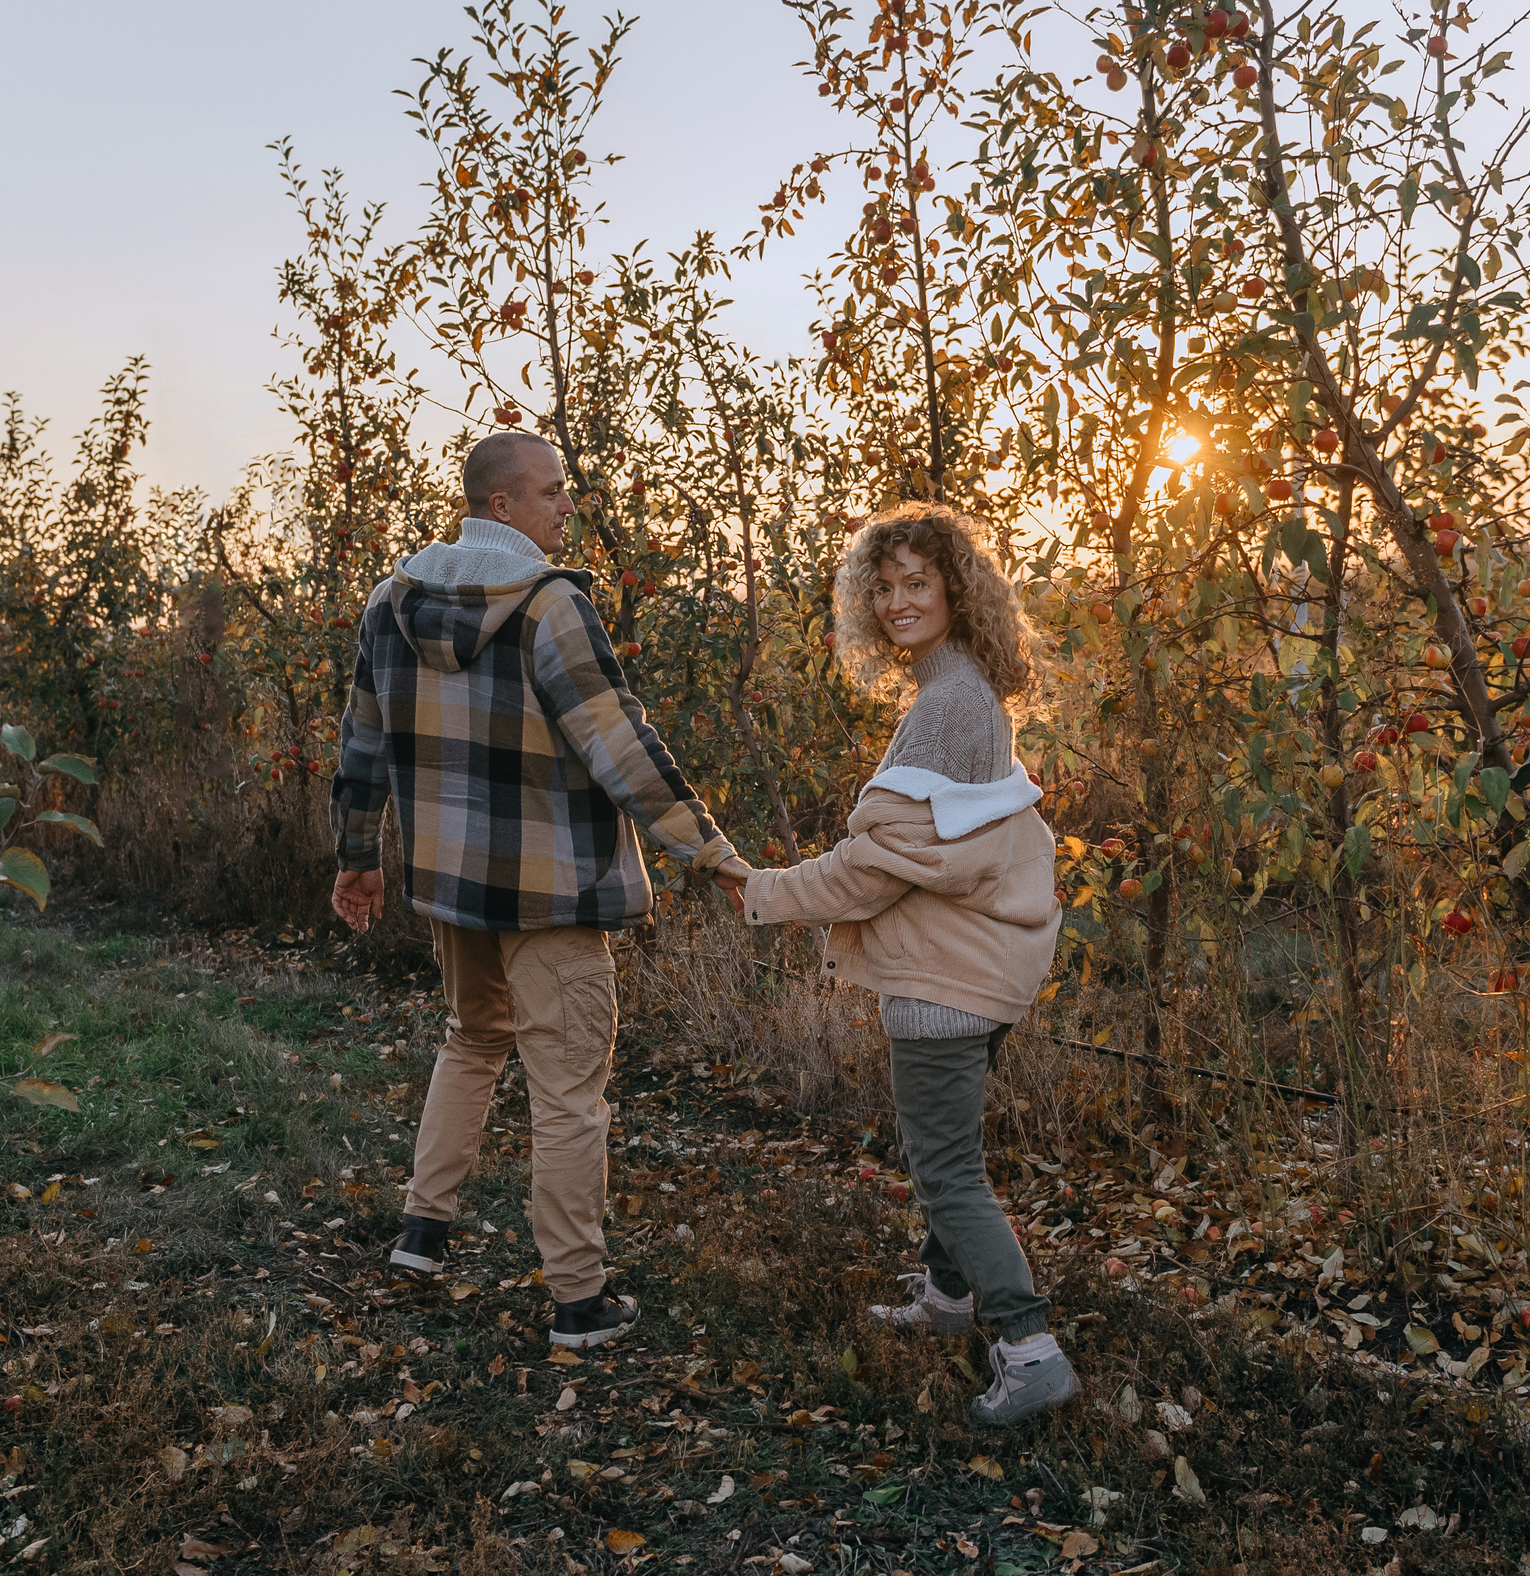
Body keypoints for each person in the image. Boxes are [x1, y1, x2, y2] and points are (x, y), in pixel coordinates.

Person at [330, 431, 737, 1350]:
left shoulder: (389, 602)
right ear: (501, 506)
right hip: (552, 891)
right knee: (567, 1088)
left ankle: (421, 1233)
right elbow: (619, 742)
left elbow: (361, 746)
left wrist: (358, 855)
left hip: (452, 884)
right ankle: (578, 1301)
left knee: (473, 1039)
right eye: (553, 493)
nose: (567, 507)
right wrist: (711, 853)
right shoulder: (551, 605)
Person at [713, 502, 1071, 1426]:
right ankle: (951, 1302)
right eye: (883, 586)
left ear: (955, 587)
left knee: (946, 1170)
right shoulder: (957, 684)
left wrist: (764, 889)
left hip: (946, 982)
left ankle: (1030, 1348)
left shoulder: (947, 703)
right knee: (950, 1154)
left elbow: (873, 872)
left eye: (917, 582)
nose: (898, 600)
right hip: (981, 966)